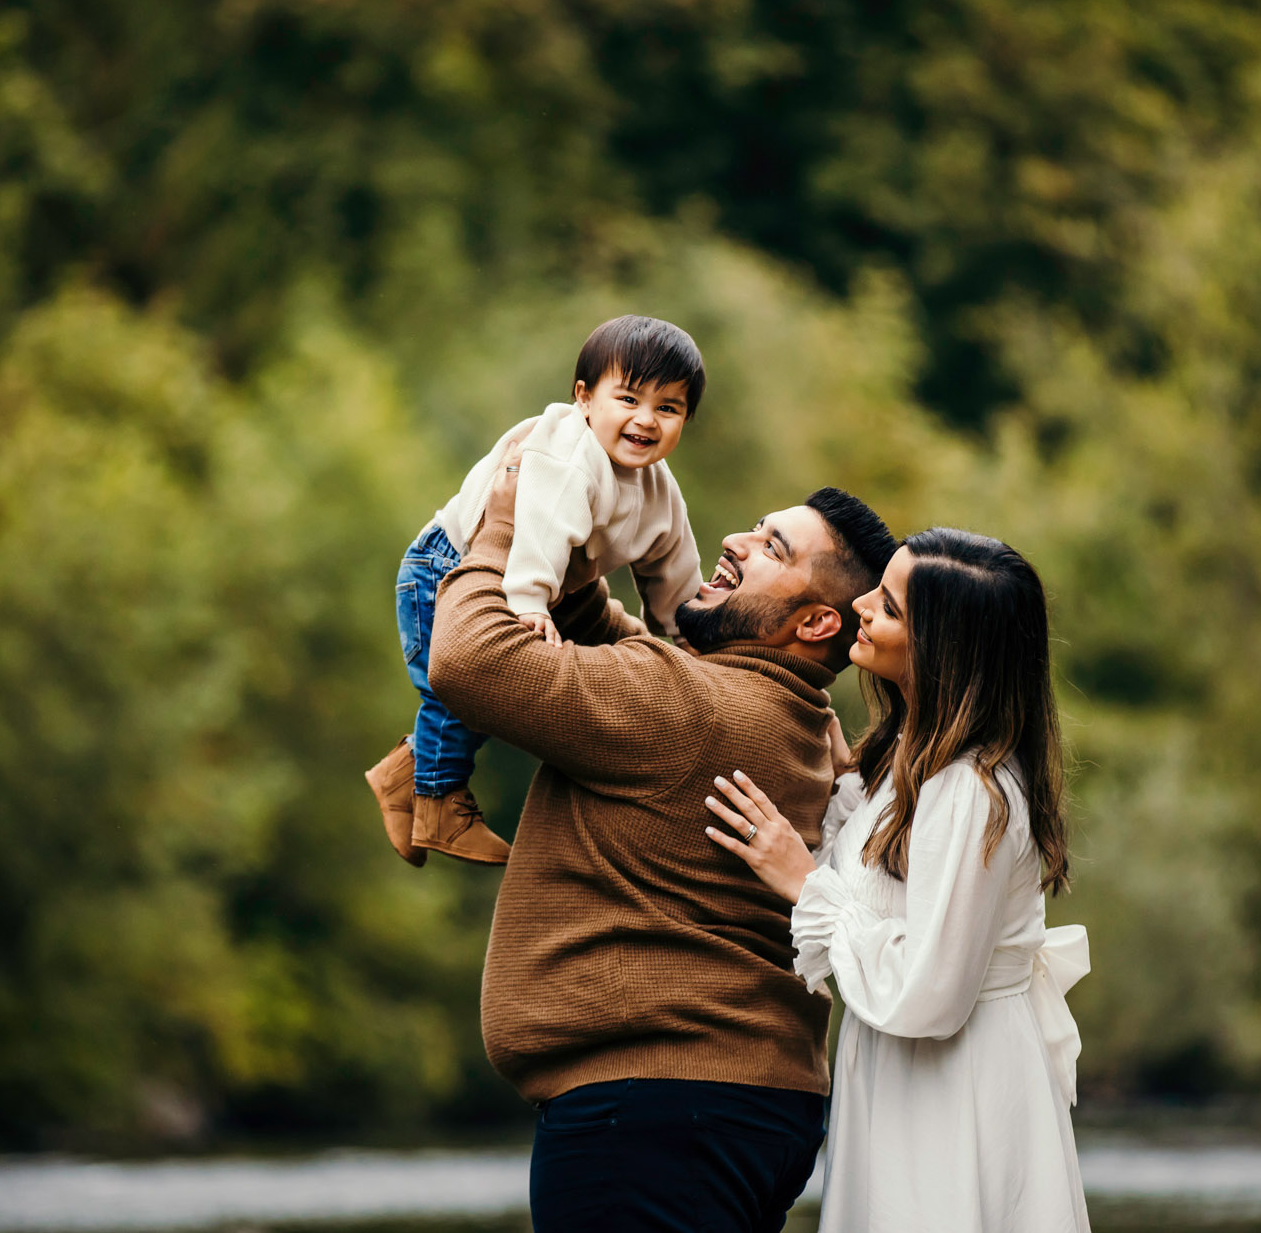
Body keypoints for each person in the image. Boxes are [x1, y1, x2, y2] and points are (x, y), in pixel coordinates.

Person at [426, 439, 896, 1233]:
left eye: (771, 547)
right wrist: (571, 551)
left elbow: (470, 659)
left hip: (649, 1117)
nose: (734, 542)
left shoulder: (689, 708)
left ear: (817, 620)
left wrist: (514, 512)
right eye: (753, 527)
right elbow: (612, 641)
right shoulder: (800, 721)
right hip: (728, 1106)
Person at [705, 527, 1093, 1232]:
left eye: (886, 604)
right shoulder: (910, 765)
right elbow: (886, 884)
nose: (859, 604)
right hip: (906, 1077)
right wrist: (836, 783)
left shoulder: (975, 791)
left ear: (942, 649)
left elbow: (929, 994)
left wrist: (803, 881)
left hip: (952, 1087)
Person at [365, 315, 709, 866]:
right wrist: (526, 602)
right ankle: (437, 803)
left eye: (667, 408)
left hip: (536, 584)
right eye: (628, 399)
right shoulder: (567, 451)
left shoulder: (659, 493)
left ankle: (401, 778)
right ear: (585, 398)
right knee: (464, 688)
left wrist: (695, 639)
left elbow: (674, 571)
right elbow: (543, 528)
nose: (646, 420)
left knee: (489, 697)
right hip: (448, 565)